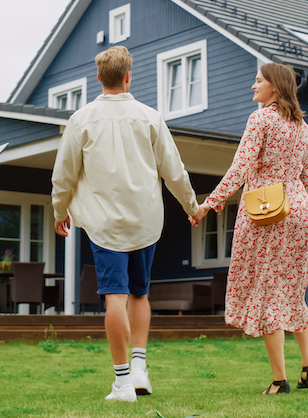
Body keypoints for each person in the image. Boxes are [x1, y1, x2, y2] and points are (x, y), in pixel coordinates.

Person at [52, 46, 206, 403]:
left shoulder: (81, 119)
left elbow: (64, 177)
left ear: (99, 78)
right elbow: (174, 171)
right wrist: (192, 207)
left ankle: (123, 382)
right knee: (140, 293)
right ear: (127, 76)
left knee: (115, 299)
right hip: (145, 221)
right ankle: (139, 367)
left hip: (105, 226)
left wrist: (60, 212)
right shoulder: (150, 117)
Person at [191, 63, 308, 395]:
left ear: (274, 87)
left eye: (258, 81)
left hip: (268, 211)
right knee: (292, 291)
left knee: (267, 293)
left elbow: (240, 167)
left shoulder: (260, 119)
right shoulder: (303, 128)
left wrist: (210, 203)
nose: (253, 86)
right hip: (301, 210)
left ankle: (280, 380)